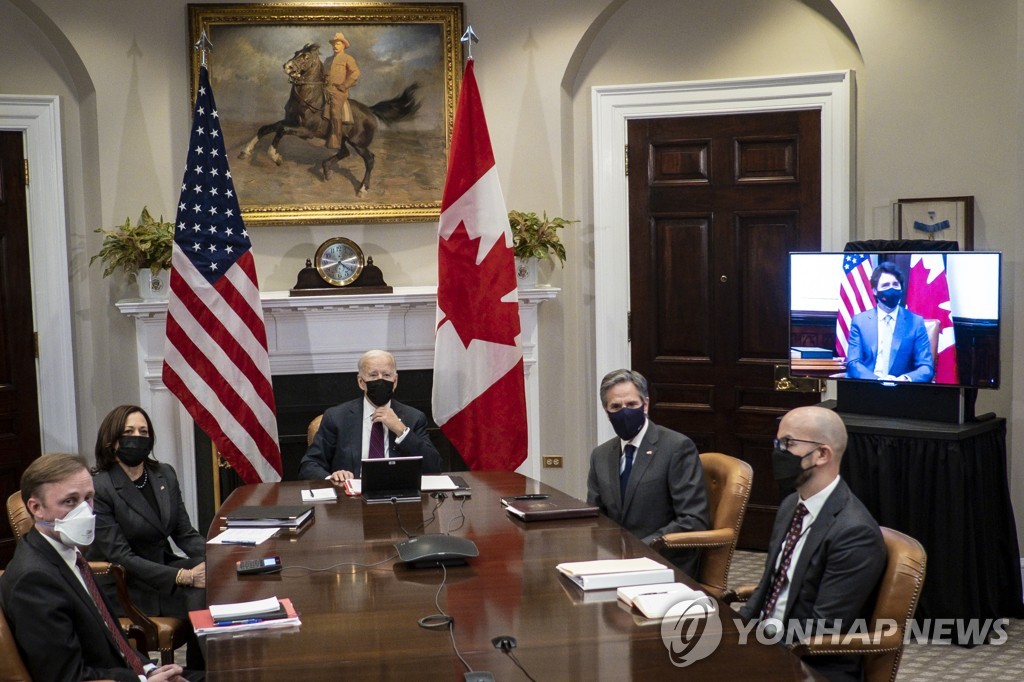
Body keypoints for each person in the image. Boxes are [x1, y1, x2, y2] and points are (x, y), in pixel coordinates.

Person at [0, 453, 188, 682]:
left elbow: (113, 637)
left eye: (88, 498)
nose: (85, 512)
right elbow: (67, 677)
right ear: (36, 508)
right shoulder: (34, 580)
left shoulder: (69, 553)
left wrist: (150, 670)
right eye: (69, 501)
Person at [740, 406, 885, 682]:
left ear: (822, 454)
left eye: (788, 444)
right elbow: (767, 588)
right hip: (769, 642)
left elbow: (821, 630)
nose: (778, 452)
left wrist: (756, 649)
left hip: (812, 664)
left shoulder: (853, 532)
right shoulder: (790, 506)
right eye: (777, 443)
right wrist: (733, 633)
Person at [89, 405, 207, 671]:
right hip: (125, 582)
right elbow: (120, 556)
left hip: (161, 567)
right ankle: (204, 672)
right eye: (129, 431)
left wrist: (221, 553)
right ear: (112, 440)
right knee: (201, 590)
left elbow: (184, 534)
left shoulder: (163, 473)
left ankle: (201, 672)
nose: (137, 437)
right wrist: (184, 576)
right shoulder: (101, 486)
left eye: (143, 431)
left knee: (214, 575)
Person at [586, 369, 709, 575]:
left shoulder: (676, 447)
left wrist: (640, 548)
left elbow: (693, 519)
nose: (624, 411)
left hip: (664, 563)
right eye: (615, 406)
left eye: (632, 404)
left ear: (645, 404)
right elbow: (596, 517)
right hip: (615, 563)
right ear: (606, 412)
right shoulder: (601, 455)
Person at [299, 349, 442, 483]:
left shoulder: (414, 417)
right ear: (361, 382)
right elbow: (309, 465)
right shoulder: (337, 417)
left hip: (398, 497)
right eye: (373, 375)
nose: (380, 380)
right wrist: (333, 478)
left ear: (395, 381)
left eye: (386, 375)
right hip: (352, 500)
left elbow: (434, 467)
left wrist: (402, 431)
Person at [845, 261, 934, 382]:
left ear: (901, 288)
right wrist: (877, 381)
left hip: (901, 389)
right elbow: (853, 363)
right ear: (875, 291)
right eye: (885, 285)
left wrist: (904, 379)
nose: (891, 289)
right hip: (868, 385)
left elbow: (926, 367)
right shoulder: (860, 321)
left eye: (895, 285)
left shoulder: (915, 322)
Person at [324, 31, 360, 149]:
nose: (335, 46)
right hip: (325, 89)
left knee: (335, 111)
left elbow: (356, 72)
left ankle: (336, 140)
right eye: (334, 44)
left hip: (338, 92)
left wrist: (345, 85)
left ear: (344, 45)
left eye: (338, 44)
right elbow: (324, 75)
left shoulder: (347, 58)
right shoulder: (327, 60)